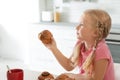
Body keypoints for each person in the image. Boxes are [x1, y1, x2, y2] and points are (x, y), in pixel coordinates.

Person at [41, 9, 115, 80]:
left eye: (81, 25)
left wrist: (75, 76)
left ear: (95, 32)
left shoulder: (101, 50)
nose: (76, 27)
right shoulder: (80, 44)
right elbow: (68, 65)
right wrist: (53, 48)